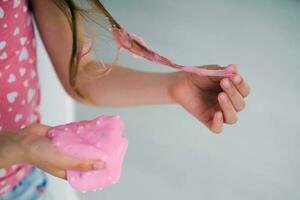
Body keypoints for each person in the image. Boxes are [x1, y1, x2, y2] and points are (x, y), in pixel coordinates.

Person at [0, 0, 251, 199]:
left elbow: (81, 75)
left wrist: (175, 86)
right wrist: (18, 146)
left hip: (23, 183)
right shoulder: (24, 146)